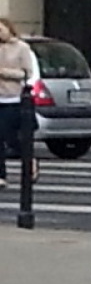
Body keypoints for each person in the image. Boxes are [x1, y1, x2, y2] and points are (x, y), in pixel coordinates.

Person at [0, 17, 36, 188]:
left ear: (9, 29)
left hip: (13, 98)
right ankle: (1, 175)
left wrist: (4, 72)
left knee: (11, 137)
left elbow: (26, 73)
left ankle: (29, 160)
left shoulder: (21, 48)